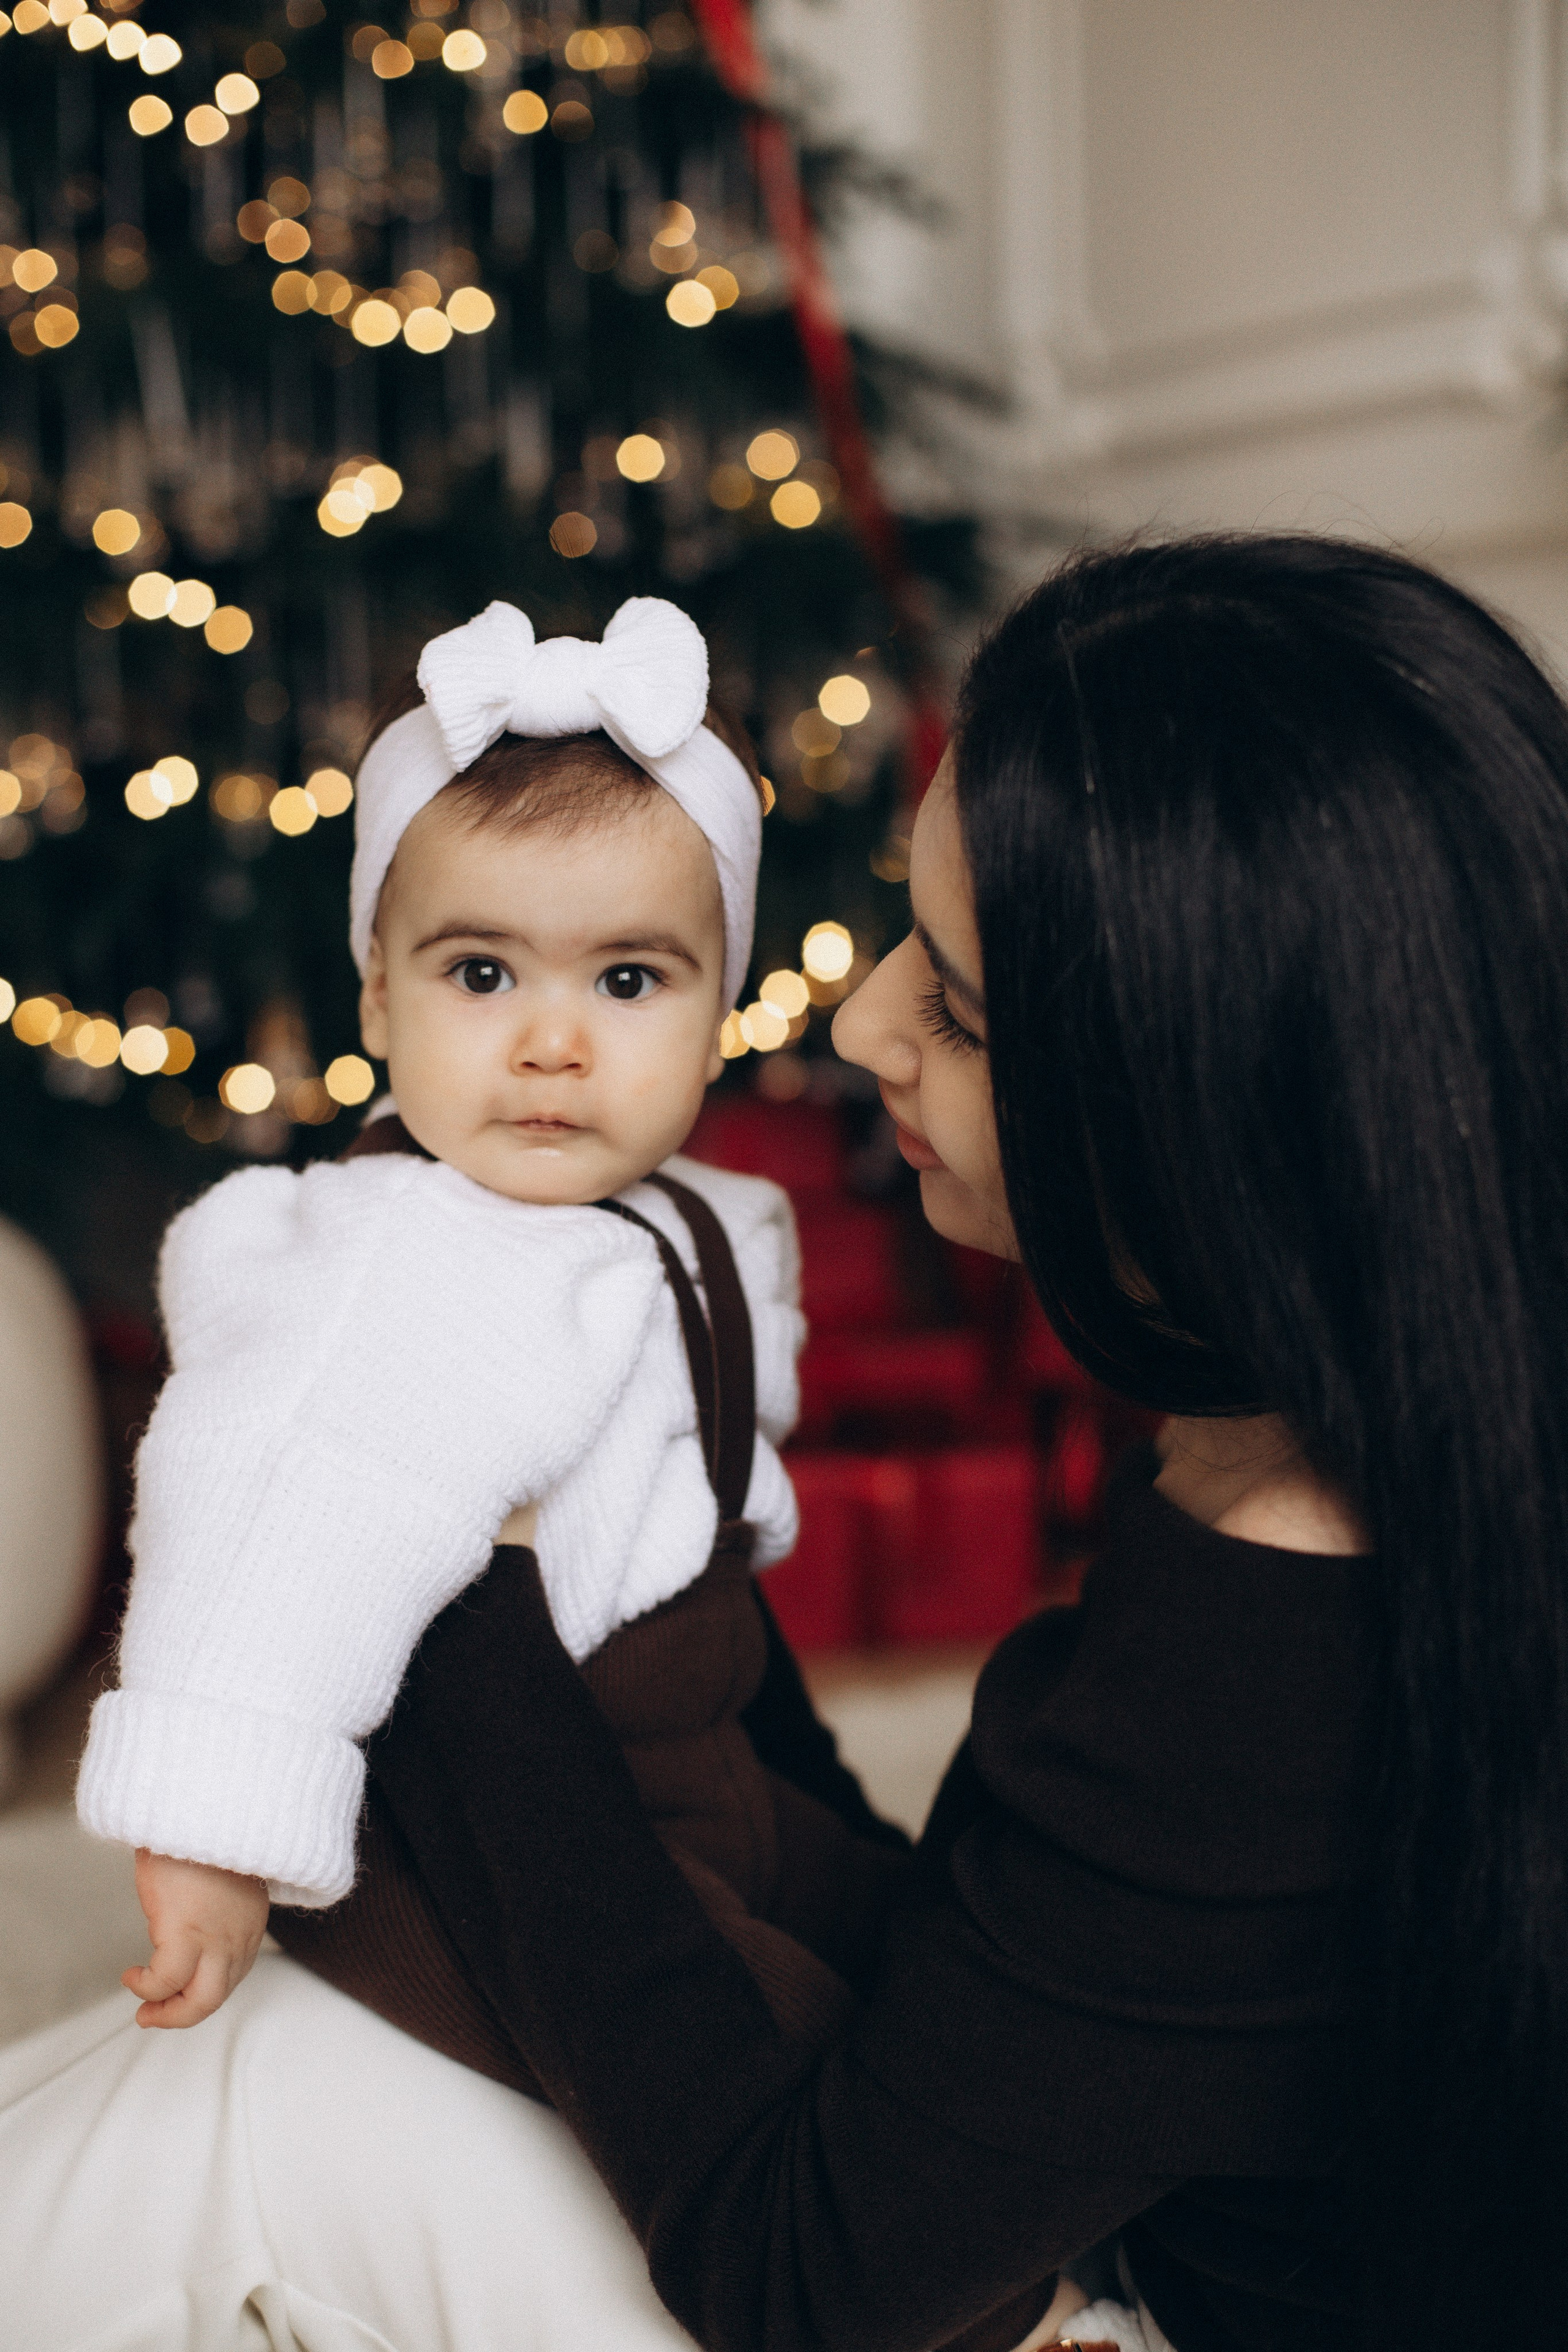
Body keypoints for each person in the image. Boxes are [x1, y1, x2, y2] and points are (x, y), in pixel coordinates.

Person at [1, 532, 1559, 2352]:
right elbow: (990, 1957)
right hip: (1057, 2228)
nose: (857, 1018)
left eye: (960, 1009)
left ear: (1200, 1126)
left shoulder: (1269, 1672)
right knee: (207, 2087)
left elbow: (803, 2283)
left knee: (260, 2097)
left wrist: (435, 1573)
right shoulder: (1341, 1422)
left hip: (1062, 2314)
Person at [73, 589, 889, 2073]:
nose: (552, 1042)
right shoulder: (392, 1262)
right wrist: (210, 1827)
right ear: (378, 994)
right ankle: (992, 2307)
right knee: (774, 2054)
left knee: (905, 1928)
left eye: (628, 980)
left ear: (720, 1015)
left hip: (687, 1736)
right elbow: (264, 1506)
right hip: (484, 1841)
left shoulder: (697, 1212)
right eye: (480, 973)